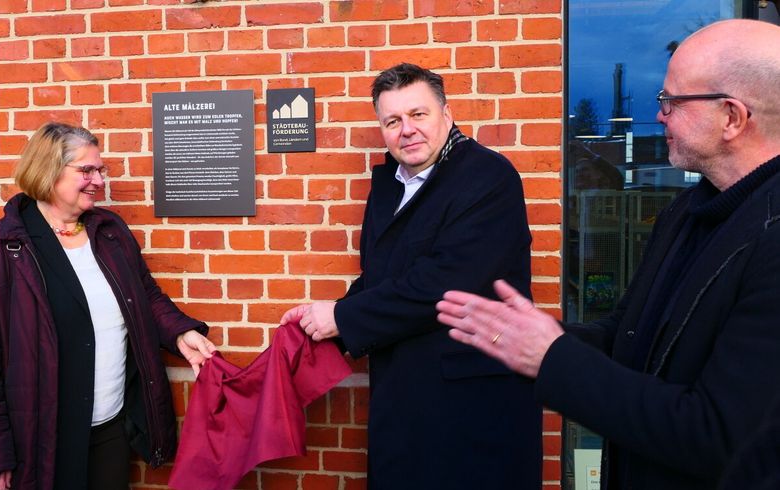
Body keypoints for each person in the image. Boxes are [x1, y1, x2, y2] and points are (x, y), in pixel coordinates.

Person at [436, 19, 780, 490]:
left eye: (671, 101)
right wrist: (525, 337)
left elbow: (722, 437)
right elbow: (627, 339)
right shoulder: (686, 211)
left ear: (732, 117)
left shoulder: (771, 238)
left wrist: (551, 358)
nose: (659, 115)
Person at [281, 63, 542, 489]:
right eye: (393, 121)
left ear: (446, 115)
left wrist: (344, 318)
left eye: (418, 115)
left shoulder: (488, 177)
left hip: (472, 411)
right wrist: (323, 321)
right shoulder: (388, 185)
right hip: (403, 404)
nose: (407, 130)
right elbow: (382, 278)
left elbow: (445, 282)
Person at [0, 122, 216, 490]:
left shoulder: (109, 233)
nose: (99, 181)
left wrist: (180, 332)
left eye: (100, 170)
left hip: (109, 431)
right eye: (86, 170)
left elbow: (143, 296)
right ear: (49, 171)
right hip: (40, 442)